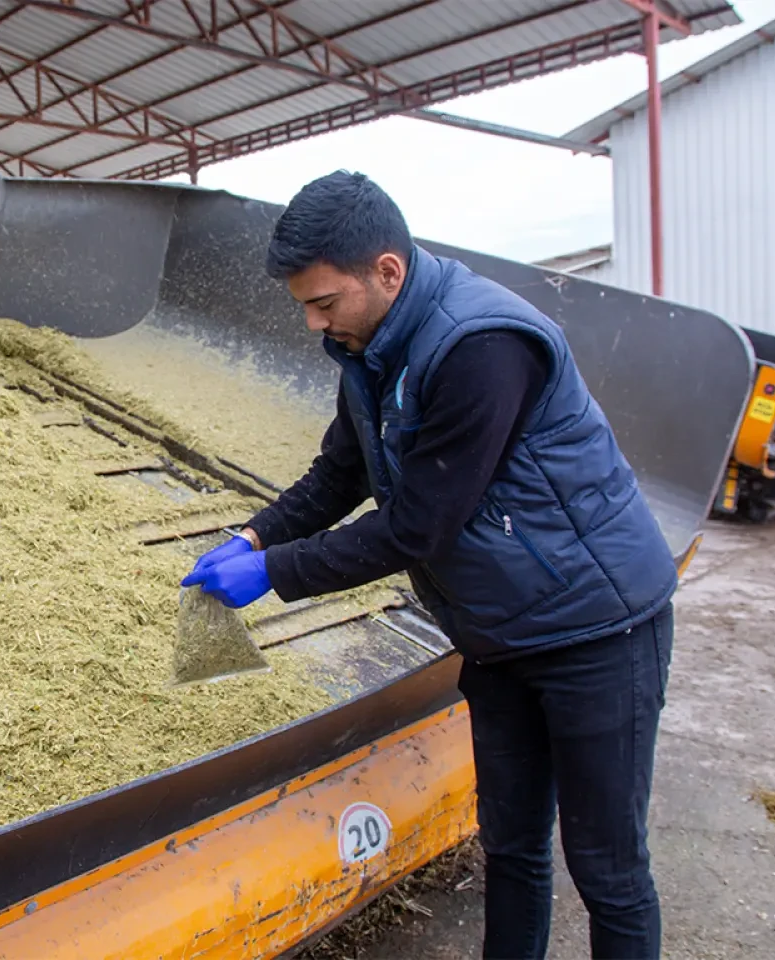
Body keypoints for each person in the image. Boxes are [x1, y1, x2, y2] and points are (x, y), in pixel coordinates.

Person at [181, 170, 676, 960]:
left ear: (388, 271)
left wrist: (277, 572)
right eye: (303, 305)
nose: (314, 323)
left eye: (324, 302)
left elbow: (417, 526)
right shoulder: (371, 346)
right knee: (511, 845)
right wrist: (251, 536)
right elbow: (341, 473)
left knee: (607, 868)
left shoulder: (481, 347)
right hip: (499, 638)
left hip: (596, 630)